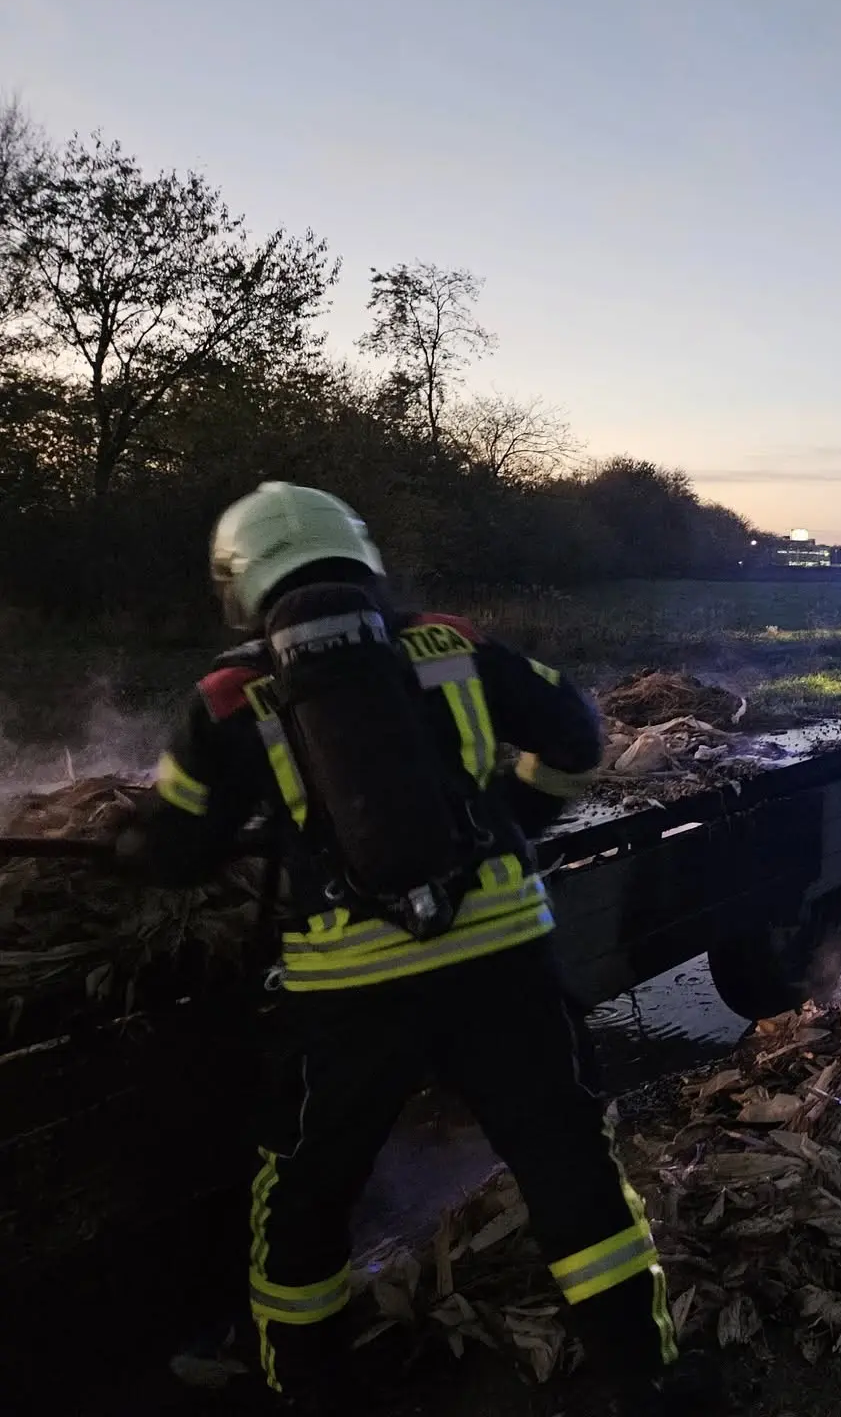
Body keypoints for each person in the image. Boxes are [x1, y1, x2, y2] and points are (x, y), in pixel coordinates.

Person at [121, 482, 704, 1414]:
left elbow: (174, 851)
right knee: (568, 1168)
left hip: (348, 999)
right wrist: (515, 815)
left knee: (306, 1199)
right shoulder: (453, 646)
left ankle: (315, 1393)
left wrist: (134, 839)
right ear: (359, 558)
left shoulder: (230, 698)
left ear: (241, 581)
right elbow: (578, 738)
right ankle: (638, 1382)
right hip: (504, 964)